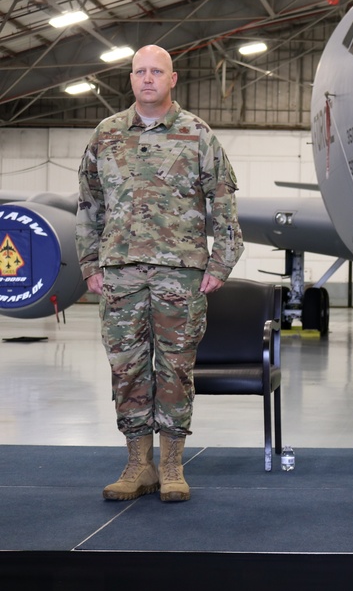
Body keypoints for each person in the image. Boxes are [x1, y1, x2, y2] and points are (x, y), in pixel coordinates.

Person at [76, 44, 244, 503]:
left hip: (180, 274)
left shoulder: (197, 135)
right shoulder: (106, 135)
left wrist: (220, 262)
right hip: (119, 274)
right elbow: (89, 206)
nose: (147, 79)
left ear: (173, 79)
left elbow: (224, 202)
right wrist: (90, 265)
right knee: (126, 369)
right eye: (139, 72)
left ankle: (171, 465)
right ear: (130, 80)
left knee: (175, 369)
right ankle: (137, 465)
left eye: (157, 71)